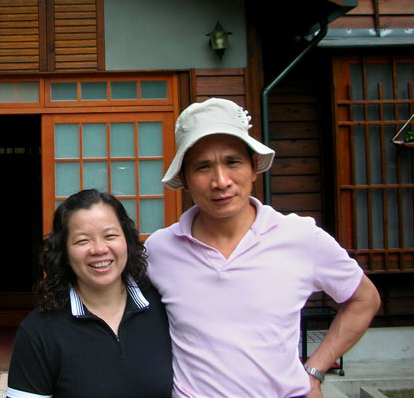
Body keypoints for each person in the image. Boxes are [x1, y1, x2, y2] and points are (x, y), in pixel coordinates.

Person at [145, 98, 381, 398]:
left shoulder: (300, 237)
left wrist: (314, 371)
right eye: (203, 167)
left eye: (232, 162)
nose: (221, 181)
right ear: (185, 179)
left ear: (254, 168)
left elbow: (364, 299)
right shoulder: (160, 249)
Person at [7, 189, 173, 398]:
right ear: (64, 252)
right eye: (82, 241)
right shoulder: (39, 331)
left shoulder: (166, 308)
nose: (99, 249)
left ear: (127, 240)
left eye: (110, 236)